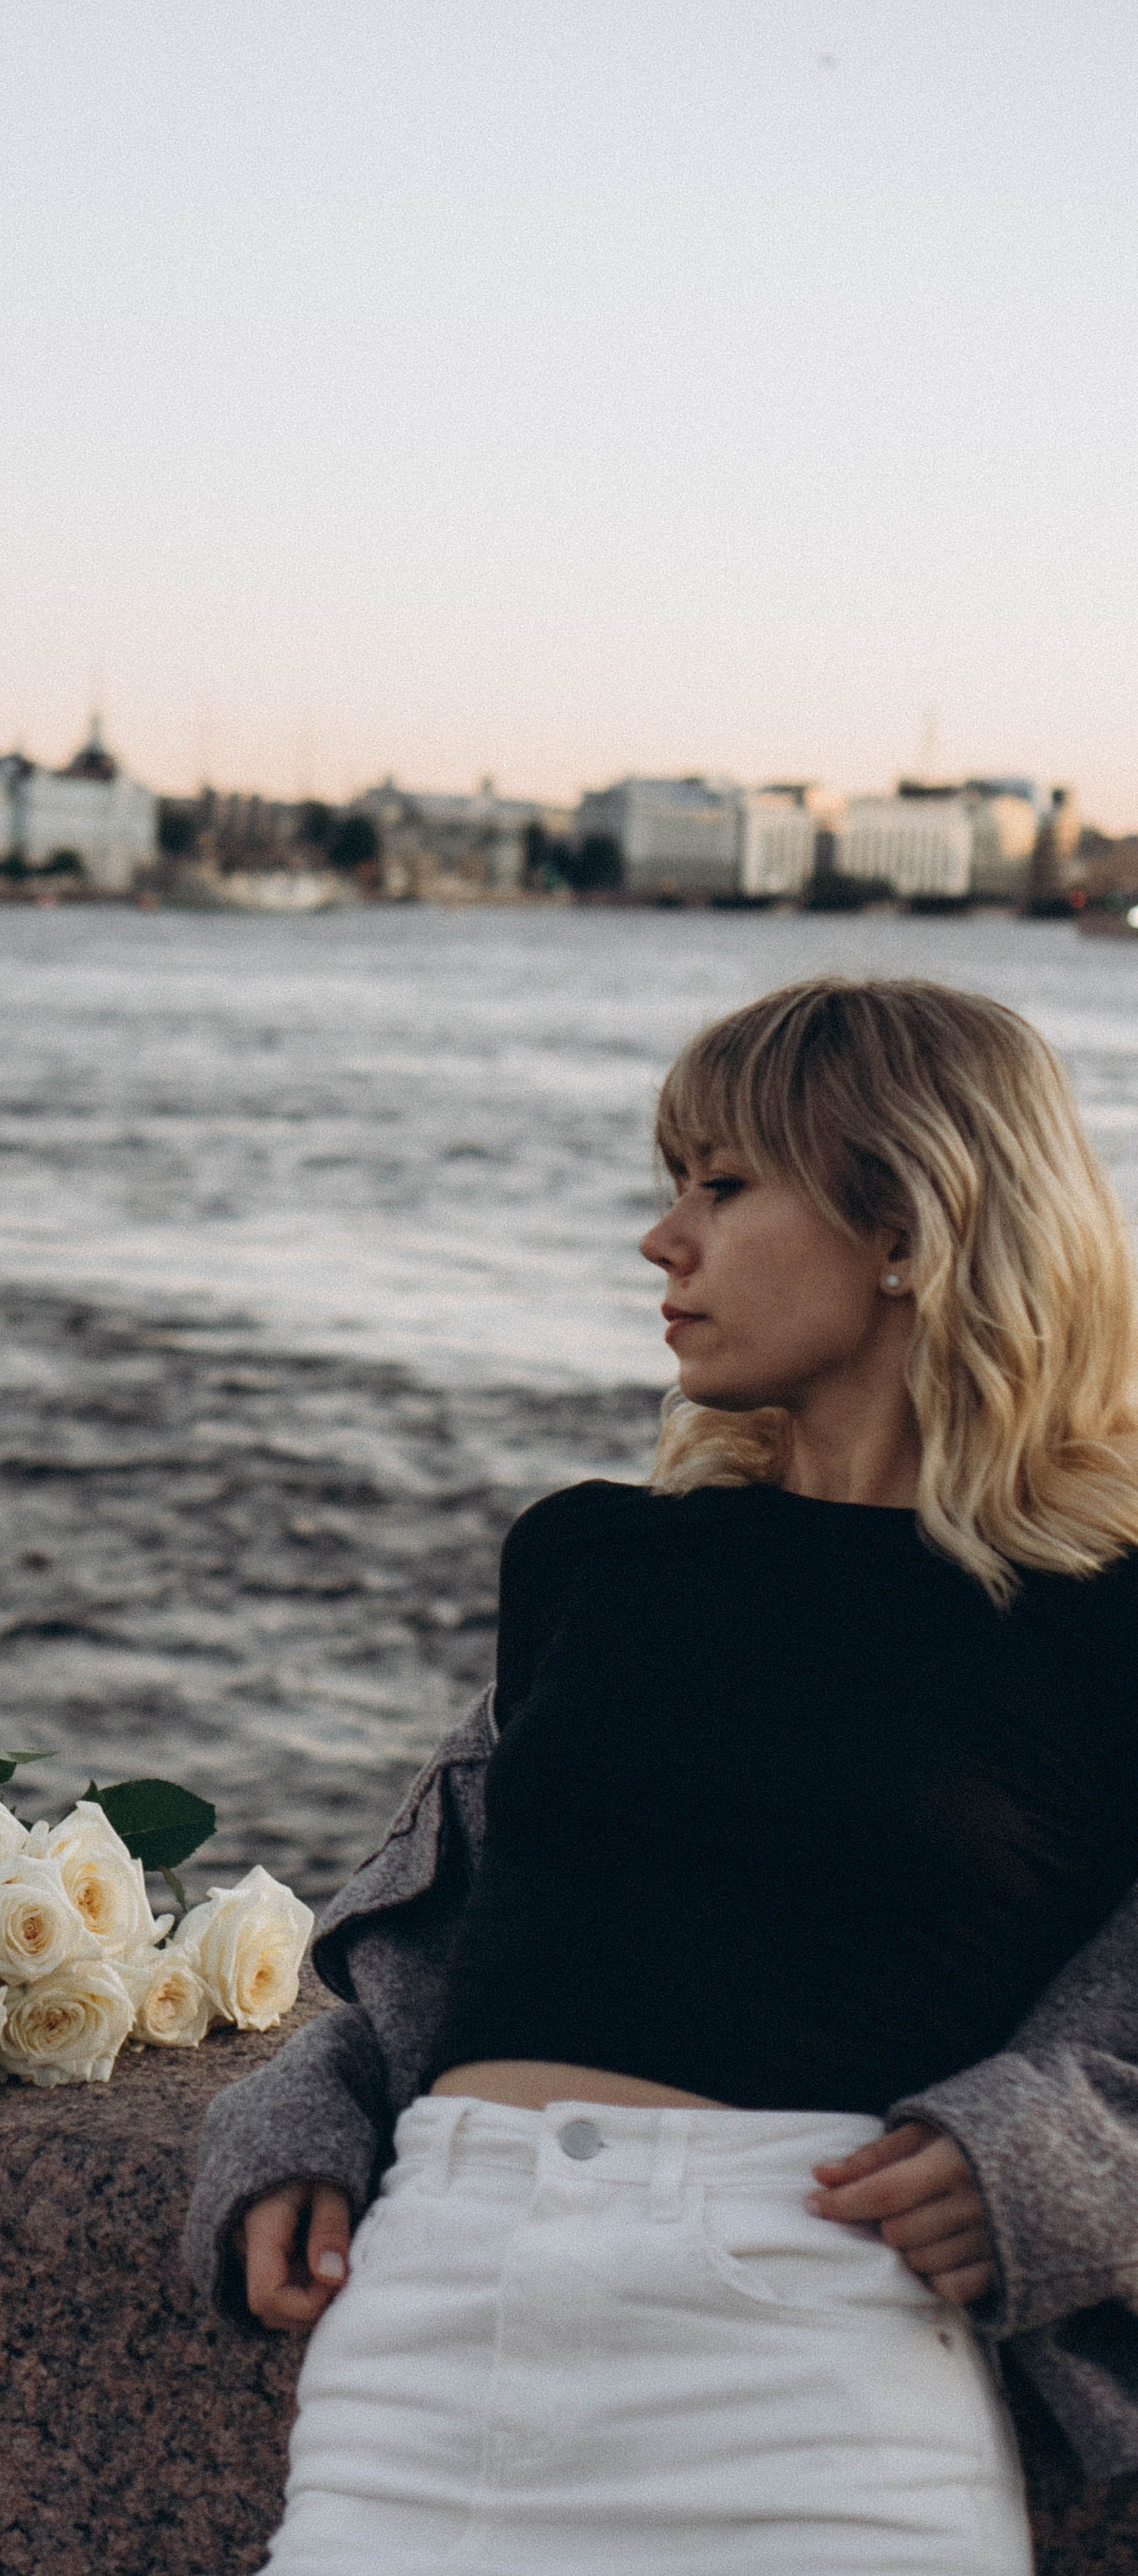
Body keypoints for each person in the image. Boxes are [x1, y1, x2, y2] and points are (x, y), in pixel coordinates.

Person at [186, 976, 1138, 2575]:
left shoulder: (1102, 1617)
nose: (660, 1240)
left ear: (906, 1229)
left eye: (719, 1185)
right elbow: (469, 1925)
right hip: (433, 2339)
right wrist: (308, 2102)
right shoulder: (591, 1558)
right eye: (667, 1185)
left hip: (816, 2363)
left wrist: (1065, 2174)